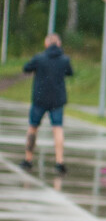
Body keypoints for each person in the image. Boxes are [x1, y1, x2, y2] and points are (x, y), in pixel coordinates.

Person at [21, 33, 74, 174]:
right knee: (58, 129)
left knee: (33, 127)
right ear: (59, 44)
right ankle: (59, 161)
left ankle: (28, 159)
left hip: (39, 99)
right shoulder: (64, 59)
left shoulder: (39, 58)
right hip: (57, 100)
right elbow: (70, 72)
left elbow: (26, 68)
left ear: (46, 44)